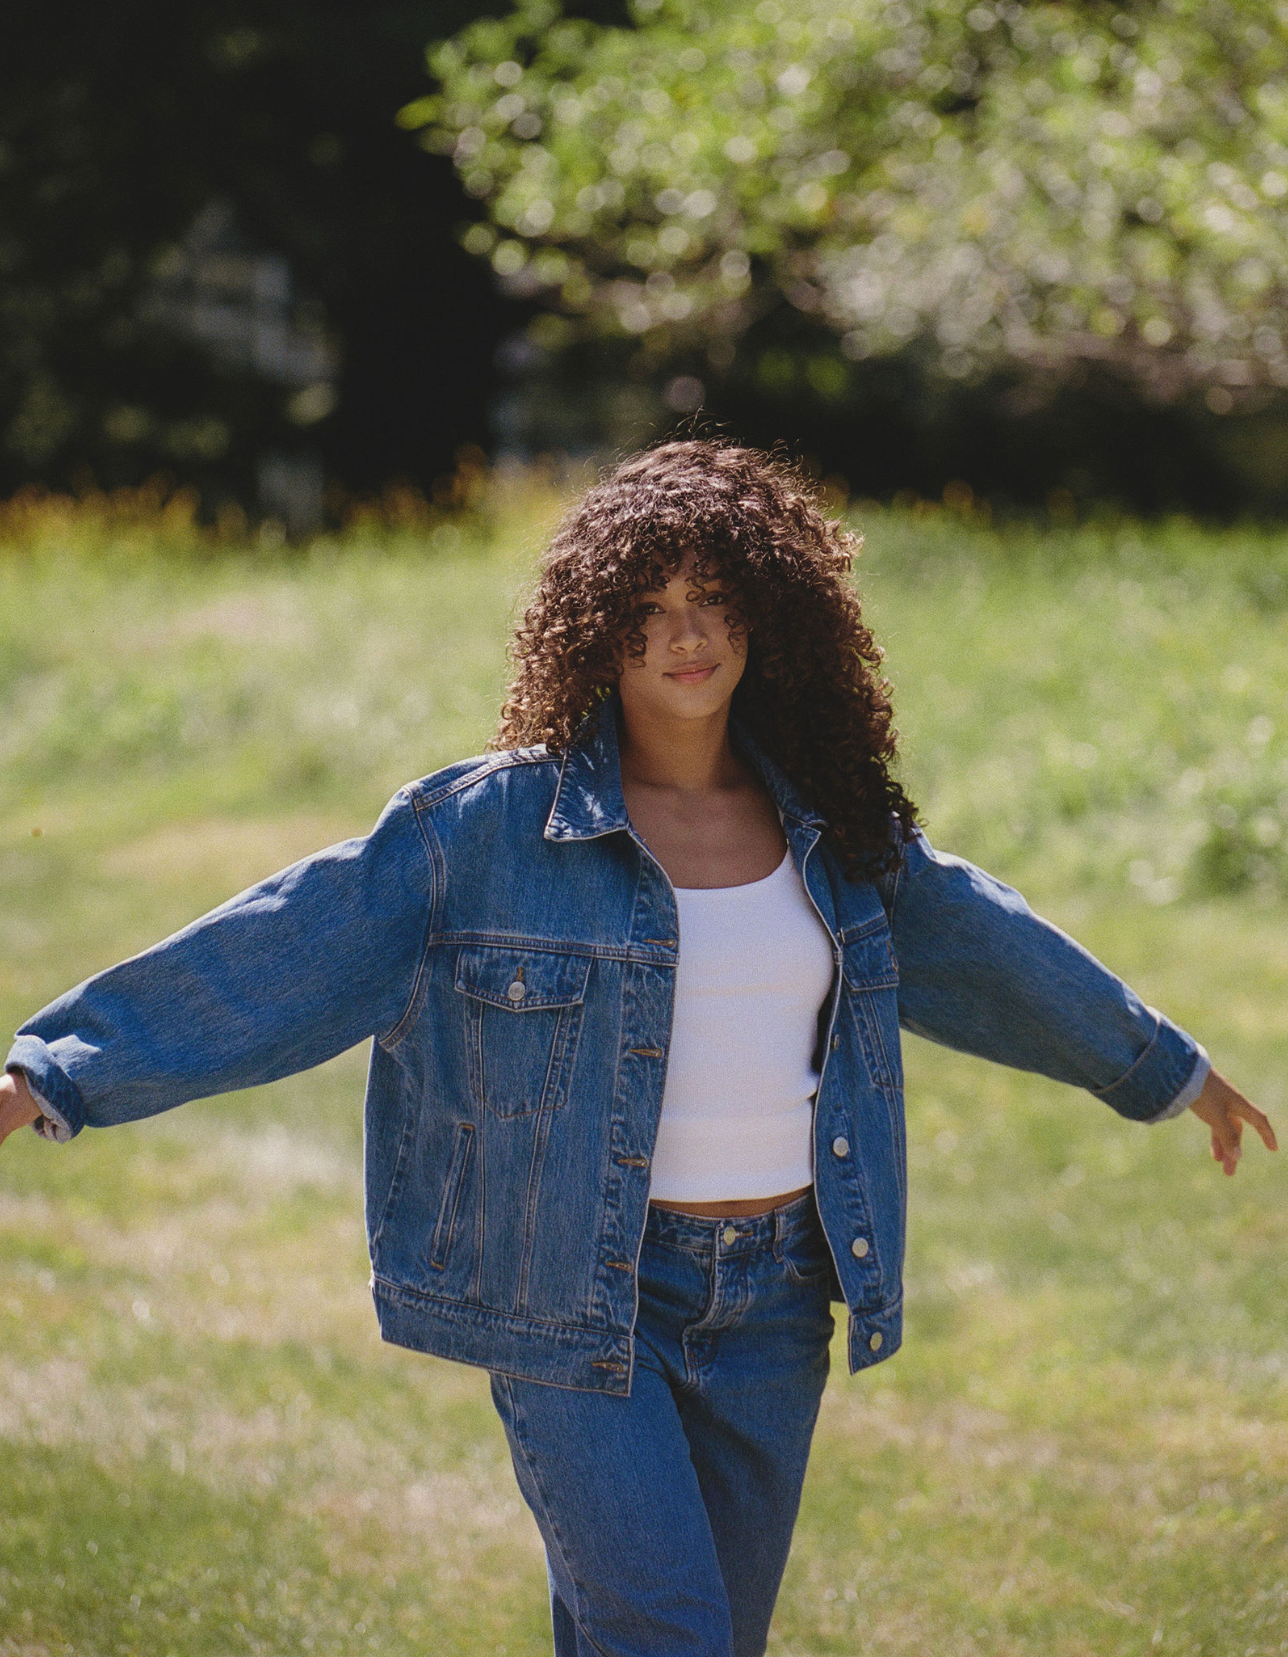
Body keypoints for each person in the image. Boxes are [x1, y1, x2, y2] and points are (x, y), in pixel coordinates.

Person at [0, 439, 1276, 1657]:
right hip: (576, 1292)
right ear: (593, 624)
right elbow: (273, 956)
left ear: (769, 616)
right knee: (670, 1637)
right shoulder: (484, 830)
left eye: (716, 598)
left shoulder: (834, 828)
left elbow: (999, 954)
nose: (686, 633)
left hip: (778, 1299)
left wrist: (1165, 1070)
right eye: (649, 603)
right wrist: (48, 1070)